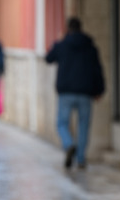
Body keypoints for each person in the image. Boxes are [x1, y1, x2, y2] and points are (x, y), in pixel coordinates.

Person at [45, 16, 105, 169]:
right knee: (83, 125)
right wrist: (99, 90)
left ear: (68, 29)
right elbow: (97, 69)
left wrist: (57, 41)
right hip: (86, 92)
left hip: (66, 91)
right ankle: (81, 158)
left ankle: (69, 144)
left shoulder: (62, 45)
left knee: (62, 123)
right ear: (81, 28)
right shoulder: (90, 46)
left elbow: (48, 58)